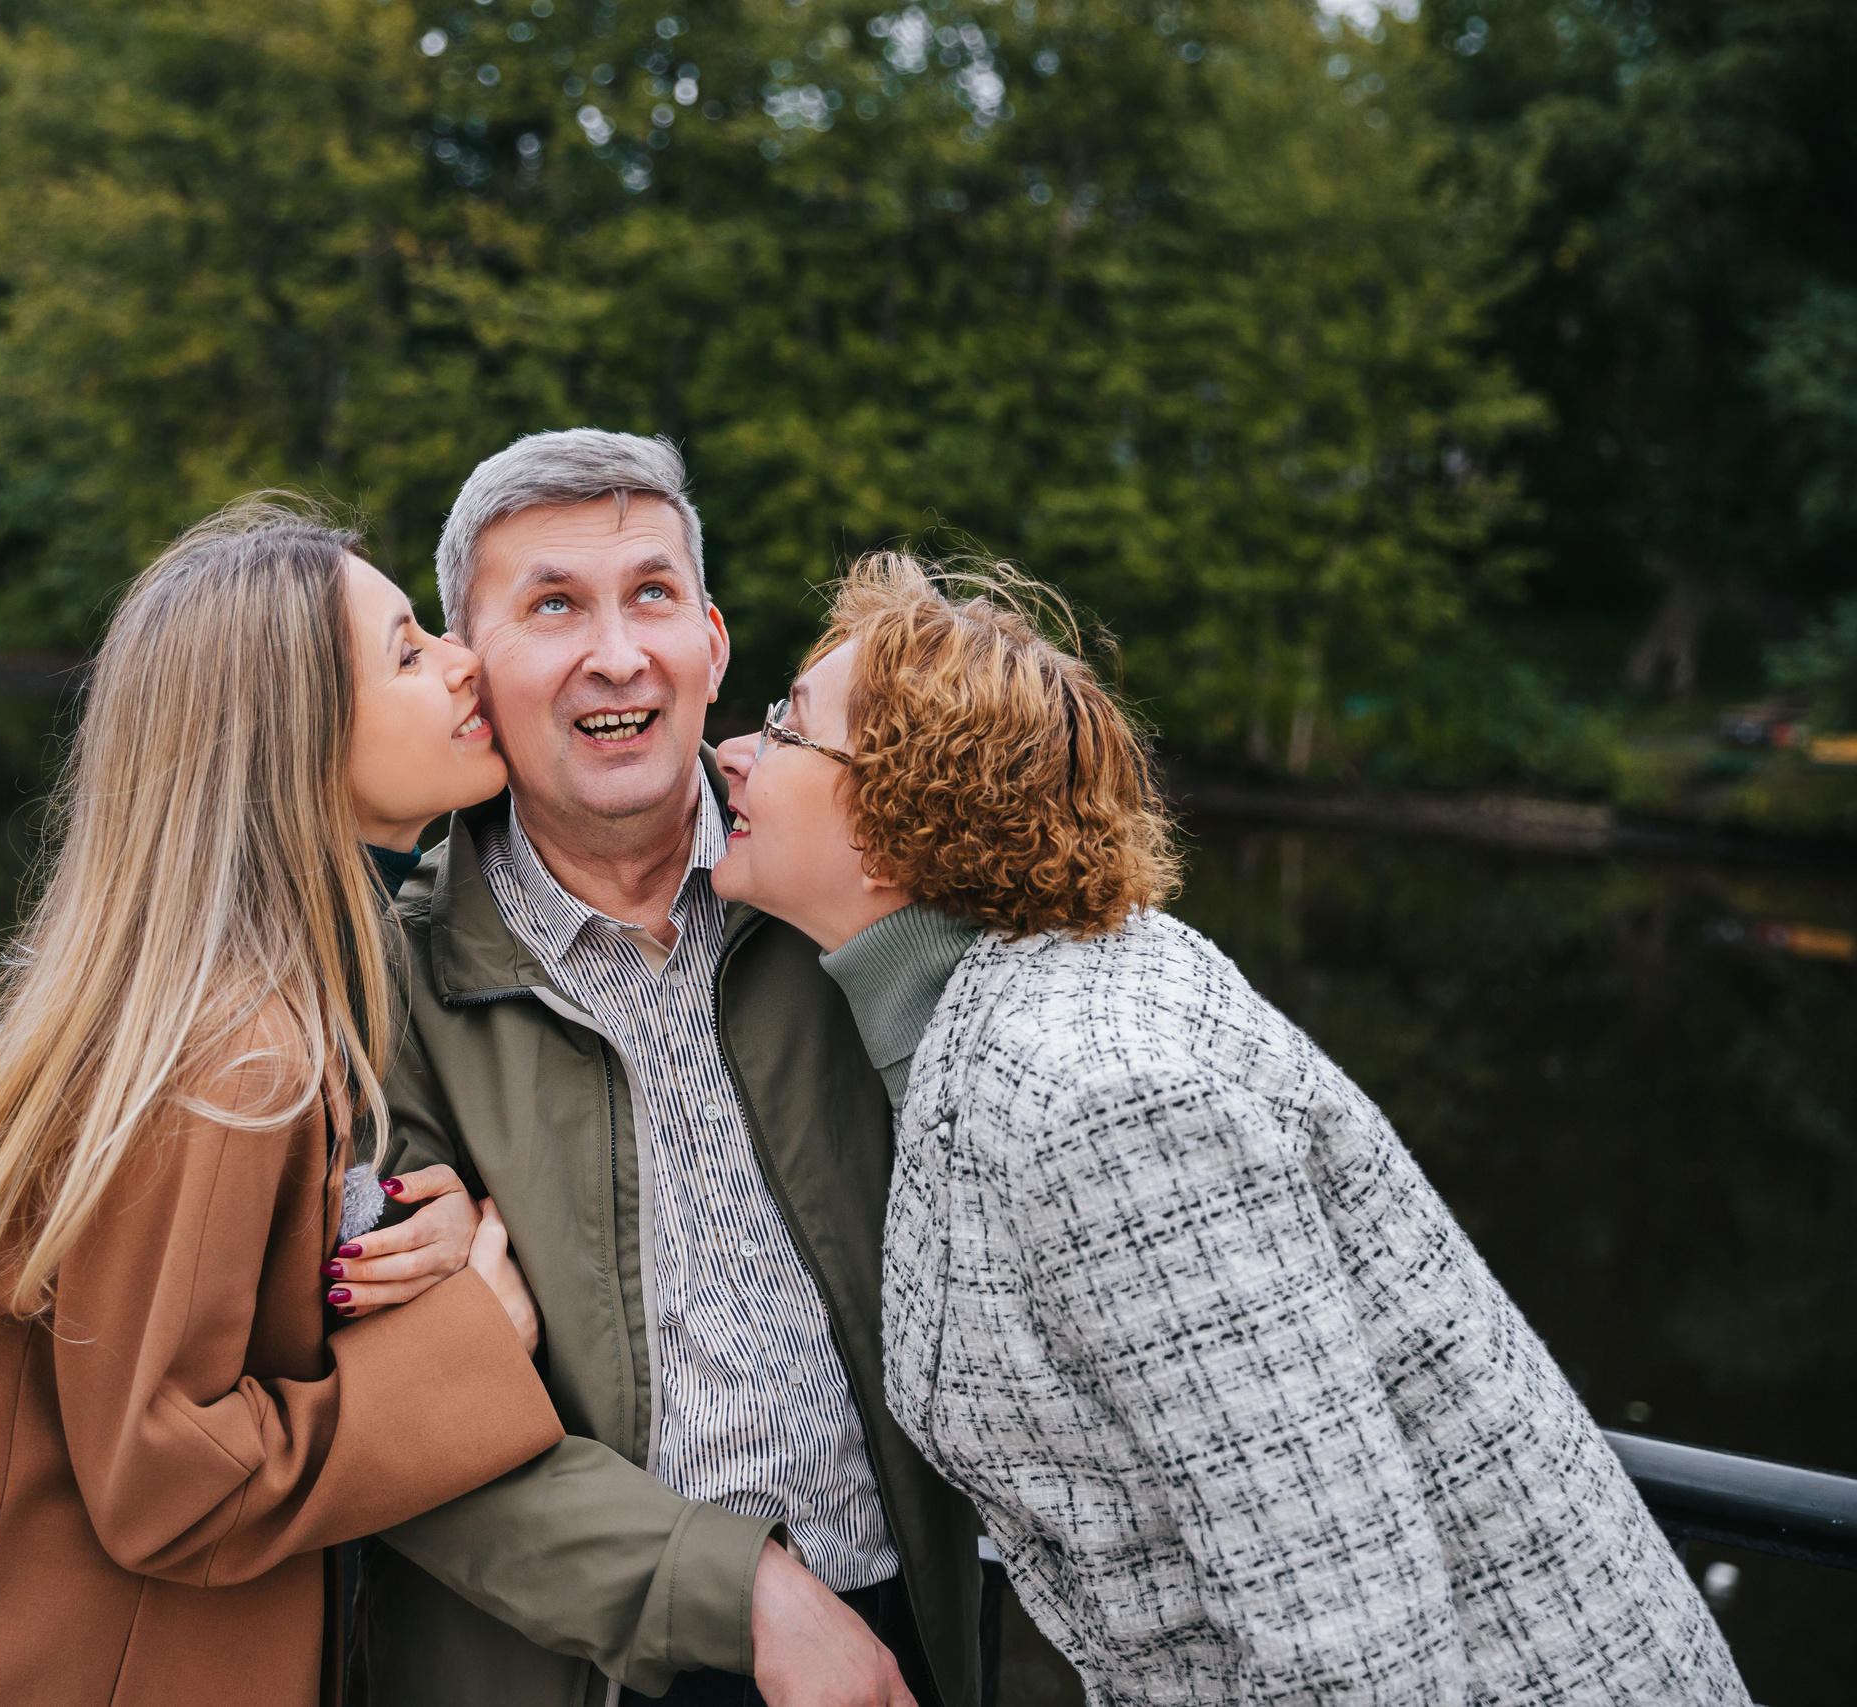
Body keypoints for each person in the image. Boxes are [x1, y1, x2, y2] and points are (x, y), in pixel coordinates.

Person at [709, 553, 1752, 1704]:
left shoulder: (1095, 1100)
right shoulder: (1023, 999)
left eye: (784, 728)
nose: (732, 752)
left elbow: (1349, 1633)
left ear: (895, 821)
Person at [0, 499, 567, 1707]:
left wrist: (405, 1233)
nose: (469, 662)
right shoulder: (235, 1058)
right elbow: (165, 1481)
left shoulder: (243, 1000)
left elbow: (224, 1293)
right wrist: (469, 1347)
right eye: (410, 651)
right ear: (288, 740)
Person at [354, 431, 984, 1707]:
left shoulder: (867, 898)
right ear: (472, 675)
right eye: (551, 607)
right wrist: (738, 1591)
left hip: (924, 1630)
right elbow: (397, 1436)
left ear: (713, 644)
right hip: (573, 1668)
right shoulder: (375, 992)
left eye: (651, 595)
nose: (617, 654)